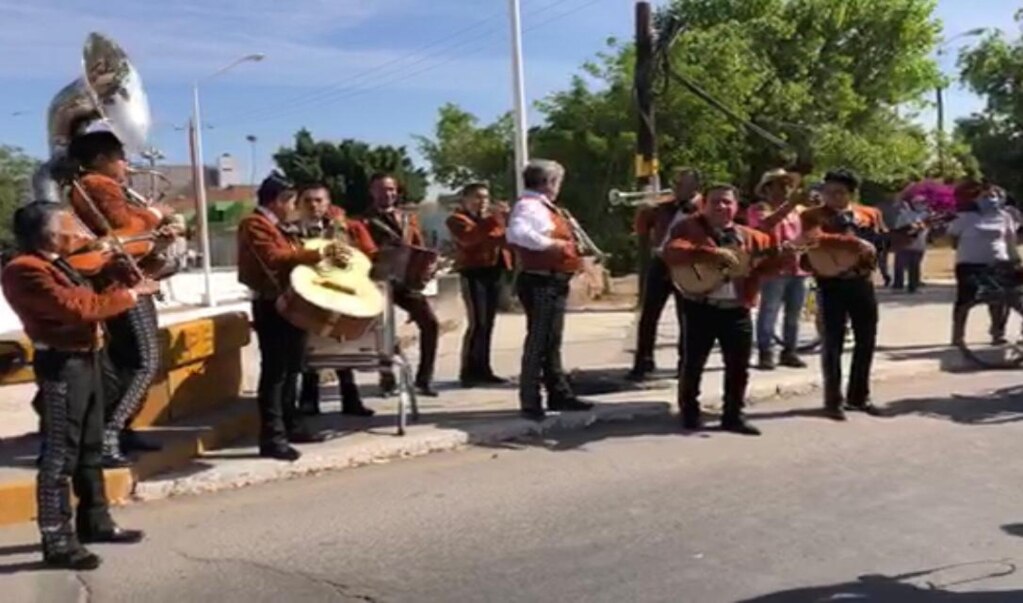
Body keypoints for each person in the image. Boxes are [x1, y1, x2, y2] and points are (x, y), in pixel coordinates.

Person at [2, 202, 149, 570]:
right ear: (49, 233)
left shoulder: (59, 263)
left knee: (90, 445)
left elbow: (95, 289)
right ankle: (56, 538)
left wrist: (122, 269)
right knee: (60, 454)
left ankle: (95, 520)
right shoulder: (26, 270)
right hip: (61, 365)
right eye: (68, 224)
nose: (76, 231)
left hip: (87, 358)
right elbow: (77, 308)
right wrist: (129, 296)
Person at [65, 131, 178, 466]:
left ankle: (121, 429)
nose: (126, 166)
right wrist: (154, 214)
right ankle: (109, 434)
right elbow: (124, 229)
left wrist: (156, 241)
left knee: (127, 362)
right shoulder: (98, 185)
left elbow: (132, 237)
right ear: (102, 160)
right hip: (121, 284)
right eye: (121, 159)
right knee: (145, 362)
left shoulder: (89, 186)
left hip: (123, 278)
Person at [238, 173, 347, 461]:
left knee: (292, 368)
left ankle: (291, 424)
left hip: (292, 302)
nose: (294, 208)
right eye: (292, 202)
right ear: (279, 200)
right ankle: (272, 437)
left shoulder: (279, 226)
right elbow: (273, 258)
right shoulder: (254, 224)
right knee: (276, 372)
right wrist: (314, 254)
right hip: (271, 304)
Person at [663, 185, 783, 436]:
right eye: (715, 201)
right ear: (704, 205)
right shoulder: (688, 227)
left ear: (736, 207)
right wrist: (711, 254)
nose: (721, 206)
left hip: (737, 308)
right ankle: (689, 412)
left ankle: (733, 416)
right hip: (700, 306)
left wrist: (781, 257)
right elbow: (672, 252)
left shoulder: (749, 236)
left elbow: (769, 268)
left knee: (738, 366)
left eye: (727, 202)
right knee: (693, 363)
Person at [506, 159, 593, 421]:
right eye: (557, 182)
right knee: (538, 341)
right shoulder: (529, 206)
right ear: (549, 182)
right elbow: (517, 234)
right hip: (541, 281)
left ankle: (558, 393)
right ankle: (530, 399)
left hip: (553, 280)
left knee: (551, 341)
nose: (558, 187)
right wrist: (552, 245)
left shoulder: (543, 206)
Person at [800, 169, 885, 420]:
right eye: (828, 192)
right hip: (830, 283)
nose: (832, 197)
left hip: (862, 282)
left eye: (839, 192)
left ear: (851, 193)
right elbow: (814, 238)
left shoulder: (869, 214)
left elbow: (881, 243)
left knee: (866, 340)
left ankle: (859, 396)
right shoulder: (812, 215)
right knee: (832, 343)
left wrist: (905, 235)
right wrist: (854, 243)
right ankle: (833, 400)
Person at [294, 183, 375, 417]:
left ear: (328, 203)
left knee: (341, 346)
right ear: (299, 205)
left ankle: (350, 399)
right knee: (310, 349)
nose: (313, 206)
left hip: (339, 294)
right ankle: (309, 399)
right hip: (307, 295)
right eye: (308, 201)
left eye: (319, 200)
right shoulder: (292, 231)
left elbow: (363, 256)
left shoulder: (342, 228)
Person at [359, 173, 440, 397]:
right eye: (382, 189)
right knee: (383, 330)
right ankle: (387, 379)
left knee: (430, 324)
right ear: (372, 191)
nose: (388, 194)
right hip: (378, 282)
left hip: (406, 282)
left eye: (391, 189)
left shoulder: (407, 217)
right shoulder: (363, 221)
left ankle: (424, 379)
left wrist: (426, 267)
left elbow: (418, 247)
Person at [627, 167, 702, 381]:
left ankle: (685, 364)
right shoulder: (664, 207)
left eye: (681, 184)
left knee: (686, 317)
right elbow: (641, 230)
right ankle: (643, 362)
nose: (676, 188)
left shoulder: (704, 208)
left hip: (687, 264)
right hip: (661, 262)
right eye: (675, 183)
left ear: (695, 186)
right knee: (648, 315)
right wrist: (643, 212)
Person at [445, 182, 511, 387]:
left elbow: (502, 238)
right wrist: (494, 220)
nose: (482, 202)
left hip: (494, 271)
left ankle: (484, 369)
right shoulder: (457, 219)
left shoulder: (490, 220)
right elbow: (469, 238)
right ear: (465, 200)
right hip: (473, 272)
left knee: (488, 323)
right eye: (477, 197)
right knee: (478, 323)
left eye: (485, 197)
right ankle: (468, 371)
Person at [747, 168, 808, 370]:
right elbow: (764, 225)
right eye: (780, 184)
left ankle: (790, 351)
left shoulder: (799, 211)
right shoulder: (759, 208)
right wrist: (789, 205)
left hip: (797, 267)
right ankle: (766, 353)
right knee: (769, 311)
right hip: (773, 267)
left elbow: (808, 233)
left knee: (794, 313)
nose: (785, 188)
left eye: (787, 185)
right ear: (767, 188)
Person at [948, 180, 1020, 346]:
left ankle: (997, 334)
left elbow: (1010, 241)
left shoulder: (1005, 217)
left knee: (999, 299)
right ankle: (958, 336)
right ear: (976, 199)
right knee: (965, 300)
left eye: (993, 196)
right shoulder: (964, 217)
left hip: (998, 262)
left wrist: (1015, 261)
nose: (990, 199)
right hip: (969, 264)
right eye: (985, 196)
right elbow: (953, 239)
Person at [891, 195, 931, 293]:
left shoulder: (926, 215)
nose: (921, 205)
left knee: (914, 266)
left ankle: (913, 286)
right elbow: (898, 228)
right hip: (904, 244)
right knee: (900, 265)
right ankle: (898, 285)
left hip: (918, 244)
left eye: (923, 203)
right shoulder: (904, 214)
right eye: (918, 203)